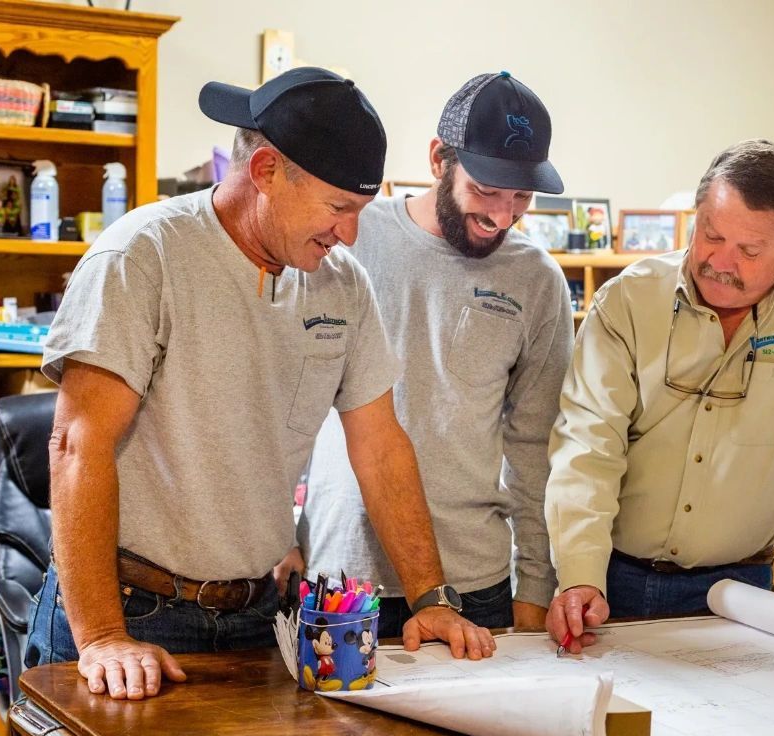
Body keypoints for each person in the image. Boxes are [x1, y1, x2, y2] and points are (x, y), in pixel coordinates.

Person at [30, 67, 494, 702]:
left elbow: (381, 448)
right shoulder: (144, 257)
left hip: (256, 616)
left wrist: (431, 598)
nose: (350, 233)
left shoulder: (343, 285)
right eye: (339, 208)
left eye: (360, 210)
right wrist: (104, 636)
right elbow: (77, 444)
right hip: (131, 614)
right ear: (268, 171)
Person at [544, 139, 774, 653]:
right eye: (710, 235)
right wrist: (580, 574)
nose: (721, 262)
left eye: (749, 251)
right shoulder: (628, 300)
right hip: (615, 584)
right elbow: (587, 447)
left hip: (745, 591)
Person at [295, 72, 573, 637]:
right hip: (343, 577)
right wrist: (275, 537)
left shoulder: (537, 279)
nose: (502, 215)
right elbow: (278, 398)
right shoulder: (347, 238)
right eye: (486, 190)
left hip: (475, 584)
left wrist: (536, 589)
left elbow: (536, 445)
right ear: (438, 160)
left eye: (521, 196)